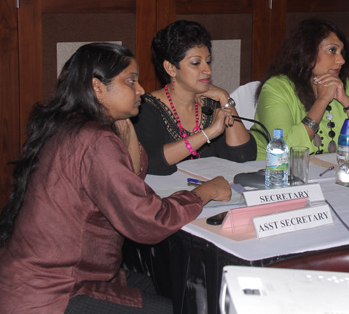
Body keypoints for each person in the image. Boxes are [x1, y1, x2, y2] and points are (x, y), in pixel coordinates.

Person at [0, 43, 231, 313]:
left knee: (175, 288)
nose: (141, 90)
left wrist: (127, 133)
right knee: (184, 306)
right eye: (130, 81)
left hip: (61, 274)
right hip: (55, 291)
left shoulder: (70, 125)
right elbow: (148, 220)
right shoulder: (95, 139)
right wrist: (206, 192)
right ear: (98, 87)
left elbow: (127, 183)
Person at [250, 18, 349, 159]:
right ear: (307, 52)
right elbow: (284, 151)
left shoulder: (348, 85)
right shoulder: (276, 88)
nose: (341, 60)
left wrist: (346, 101)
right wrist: (322, 101)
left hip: (331, 169)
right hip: (276, 171)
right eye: (332, 50)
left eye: (341, 52)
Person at [133, 20, 256, 175]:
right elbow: (150, 161)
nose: (208, 70)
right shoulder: (144, 108)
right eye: (196, 63)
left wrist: (225, 99)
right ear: (171, 68)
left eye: (208, 61)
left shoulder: (212, 104)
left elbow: (244, 156)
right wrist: (208, 133)